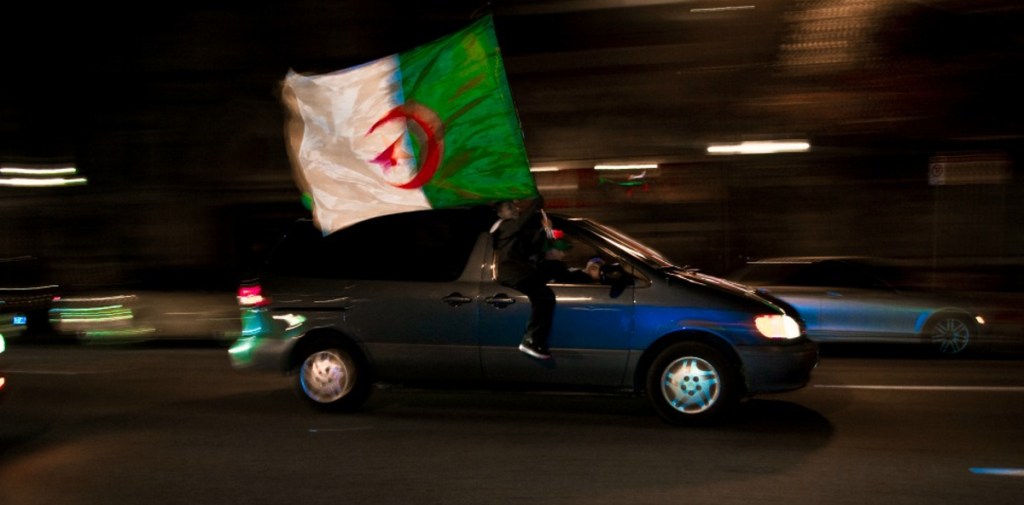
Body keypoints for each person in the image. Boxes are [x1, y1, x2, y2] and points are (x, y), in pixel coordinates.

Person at [491, 196, 555, 359]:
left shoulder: (515, 230)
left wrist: (546, 230)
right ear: (500, 214)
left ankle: (535, 339)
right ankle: (531, 339)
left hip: (521, 272)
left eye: (515, 206)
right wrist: (537, 201)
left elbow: (534, 246)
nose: (515, 209)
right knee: (544, 296)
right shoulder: (503, 227)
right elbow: (521, 223)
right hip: (513, 273)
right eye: (509, 207)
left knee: (544, 293)